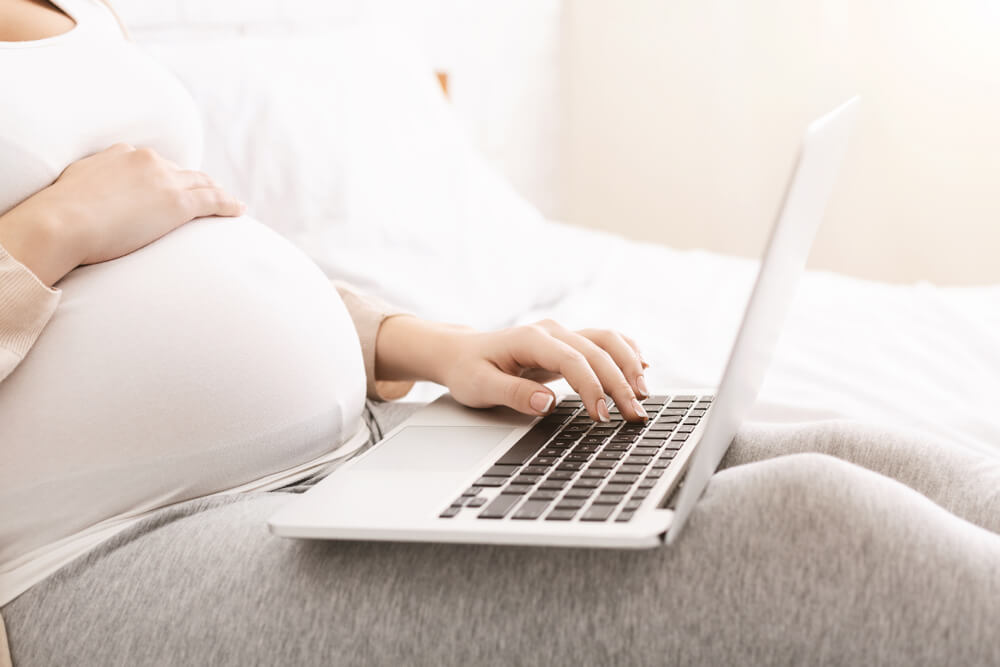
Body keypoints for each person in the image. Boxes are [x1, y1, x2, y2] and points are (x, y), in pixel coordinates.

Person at [1, 1, 999, 665]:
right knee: (806, 523)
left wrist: (427, 344)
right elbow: (101, 231)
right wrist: (55, 229)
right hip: (113, 550)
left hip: (355, 454)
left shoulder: (79, 15)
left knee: (848, 449)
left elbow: (197, 242)